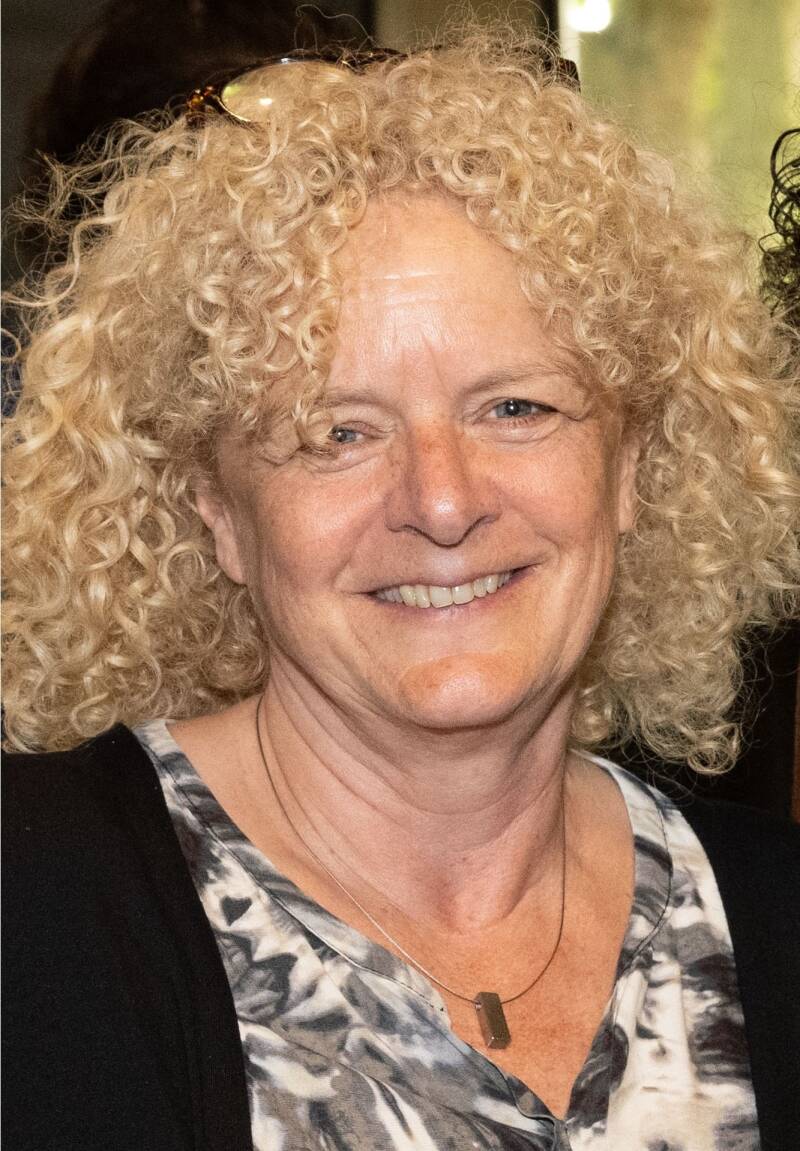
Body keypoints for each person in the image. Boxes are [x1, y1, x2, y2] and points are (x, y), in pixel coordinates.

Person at [3, 27, 799, 1151]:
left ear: (630, 467)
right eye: (337, 431)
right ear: (216, 509)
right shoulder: (33, 905)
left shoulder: (772, 916)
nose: (442, 499)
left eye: (515, 408)